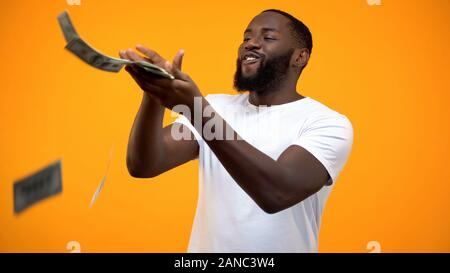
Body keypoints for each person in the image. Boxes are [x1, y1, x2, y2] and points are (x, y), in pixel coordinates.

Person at [119, 9, 353, 252]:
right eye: (246, 37)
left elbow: (277, 194)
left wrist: (197, 110)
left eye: (268, 38)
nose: (251, 43)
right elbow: (144, 165)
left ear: (300, 57)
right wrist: (154, 93)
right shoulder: (216, 107)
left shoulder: (326, 123)